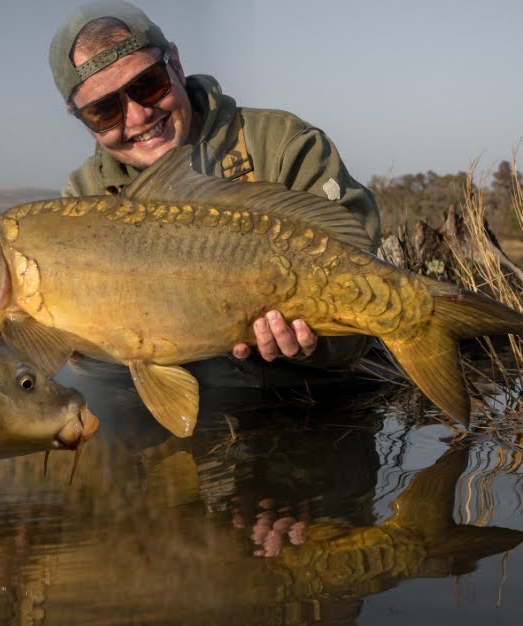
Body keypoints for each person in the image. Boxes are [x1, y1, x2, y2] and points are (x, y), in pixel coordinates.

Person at [48, 0, 384, 389]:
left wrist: (313, 341)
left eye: (148, 84)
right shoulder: (81, 202)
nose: (139, 116)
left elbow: (363, 311)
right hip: (191, 403)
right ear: (80, 120)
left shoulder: (283, 146)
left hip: (313, 392)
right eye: (105, 110)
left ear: (175, 62)